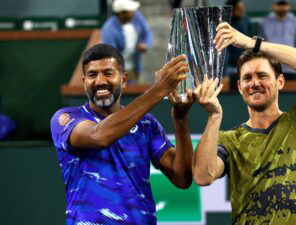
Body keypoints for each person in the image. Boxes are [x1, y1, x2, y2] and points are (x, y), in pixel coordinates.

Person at [193, 22, 296, 225]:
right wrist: (214, 117)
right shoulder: (229, 140)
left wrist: (252, 44)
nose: (254, 83)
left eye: (262, 75)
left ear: (280, 81)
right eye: (247, 78)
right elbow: (203, 176)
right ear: (239, 87)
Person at [50, 43, 194, 225]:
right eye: (92, 75)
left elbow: (182, 178)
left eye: (108, 73)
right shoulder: (65, 118)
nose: (100, 81)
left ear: (124, 79)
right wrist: (158, 90)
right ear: (84, 81)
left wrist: (180, 120)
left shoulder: (146, 124)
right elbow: (98, 136)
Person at [101, 0, 153, 83]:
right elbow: (111, 55)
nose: (133, 13)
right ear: (122, 13)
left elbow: (147, 32)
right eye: (130, 11)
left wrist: (145, 43)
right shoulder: (109, 29)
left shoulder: (137, 16)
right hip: (119, 69)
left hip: (135, 66)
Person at [259, 0, 296, 80]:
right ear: (273, 5)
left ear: (289, 6)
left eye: (284, 4)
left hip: (290, 67)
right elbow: (261, 45)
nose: (281, 7)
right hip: (271, 67)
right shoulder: (265, 22)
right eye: (279, 4)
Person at [224, 0, 253, 91]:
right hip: (230, 68)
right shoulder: (225, 23)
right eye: (239, 9)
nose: (242, 11)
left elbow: (251, 42)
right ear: (232, 10)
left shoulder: (246, 19)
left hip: (246, 64)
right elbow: (224, 51)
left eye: (242, 8)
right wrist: (225, 74)